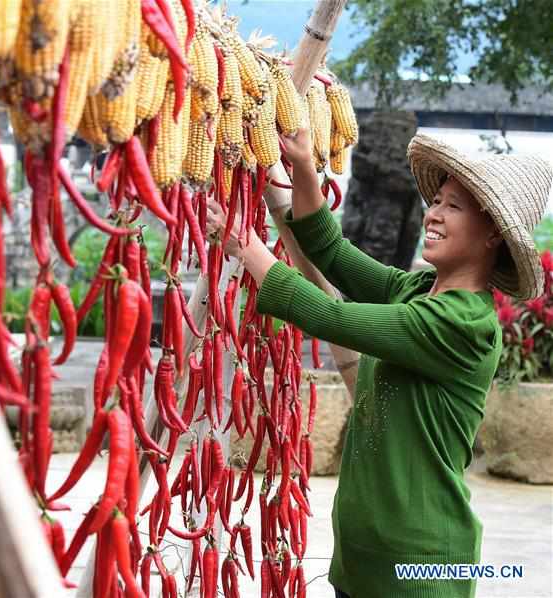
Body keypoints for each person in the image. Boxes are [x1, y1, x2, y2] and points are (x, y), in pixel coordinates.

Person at [206, 129, 553, 598]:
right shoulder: (416, 290)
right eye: (436, 201)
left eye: (453, 206)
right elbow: (331, 252)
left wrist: (246, 247)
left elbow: (330, 317)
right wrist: (304, 166)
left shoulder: (463, 324)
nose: (433, 213)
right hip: (359, 562)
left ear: (493, 232)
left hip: (420, 568)